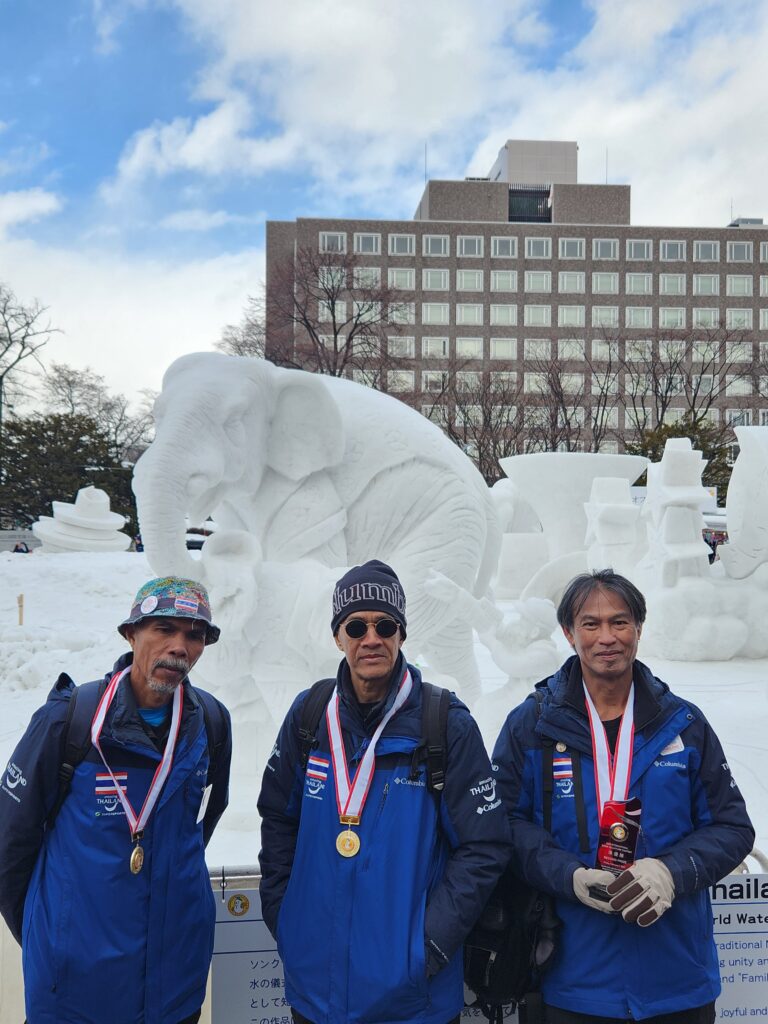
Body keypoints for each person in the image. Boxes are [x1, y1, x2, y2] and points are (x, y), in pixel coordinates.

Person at [493, 569, 755, 1024]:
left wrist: (670, 873)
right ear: (568, 633)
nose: (606, 637)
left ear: (639, 628)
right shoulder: (531, 726)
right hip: (572, 980)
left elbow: (732, 828)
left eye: (620, 622)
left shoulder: (684, 724)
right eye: (590, 624)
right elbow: (503, 827)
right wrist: (568, 875)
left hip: (677, 980)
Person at [258, 559, 510, 1024]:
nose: (370, 637)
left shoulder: (445, 723)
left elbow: (484, 846)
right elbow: (277, 818)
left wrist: (428, 945)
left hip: (414, 998)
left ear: (401, 634)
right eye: (355, 626)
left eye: (385, 624)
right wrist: (285, 916)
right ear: (338, 637)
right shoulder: (310, 715)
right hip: (317, 990)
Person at [0, 577, 232, 1024]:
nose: (179, 646)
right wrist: (52, 941)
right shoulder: (69, 720)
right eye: (163, 628)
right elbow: (10, 843)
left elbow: (203, 820)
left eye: (194, 635)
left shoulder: (213, 723)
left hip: (174, 985)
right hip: (75, 992)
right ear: (131, 633)